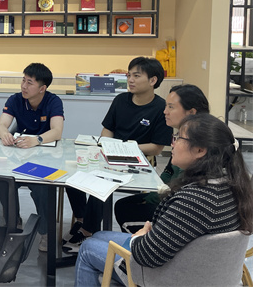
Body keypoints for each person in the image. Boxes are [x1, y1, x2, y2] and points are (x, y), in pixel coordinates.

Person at [75, 113, 253, 286]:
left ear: (200, 150)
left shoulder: (195, 201)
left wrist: (138, 238)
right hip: (204, 272)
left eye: (178, 138)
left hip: (169, 277)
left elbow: (147, 255)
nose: (172, 143)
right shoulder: (234, 185)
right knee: (99, 235)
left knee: (88, 248)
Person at [63, 57, 172, 253]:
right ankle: (82, 219)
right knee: (73, 176)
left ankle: (87, 232)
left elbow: (156, 148)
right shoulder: (120, 100)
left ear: (153, 80)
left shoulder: (160, 108)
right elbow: (108, 129)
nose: (130, 80)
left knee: (101, 184)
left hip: (139, 162)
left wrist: (126, 149)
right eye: (129, 75)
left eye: (136, 76)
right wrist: (107, 146)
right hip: (110, 156)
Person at [114, 84, 209, 233]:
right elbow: (169, 172)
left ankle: (140, 244)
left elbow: (180, 186)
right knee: (123, 204)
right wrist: (153, 195)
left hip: (178, 211)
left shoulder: (197, 142)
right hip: (172, 200)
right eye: (166, 106)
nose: (165, 111)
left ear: (191, 112)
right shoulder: (184, 134)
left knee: (125, 210)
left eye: (171, 107)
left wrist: (154, 199)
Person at [0, 62, 64, 251]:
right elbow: (1, 125)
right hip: (18, 156)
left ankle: (46, 232)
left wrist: (37, 140)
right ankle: (13, 223)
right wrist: (5, 134)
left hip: (44, 158)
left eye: (29, 83)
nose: (24, 86)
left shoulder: (53, 101)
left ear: (42, 88)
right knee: (3, 182)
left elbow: (57, 131)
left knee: (42, 189)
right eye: (23, 80)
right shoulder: (15, 99)